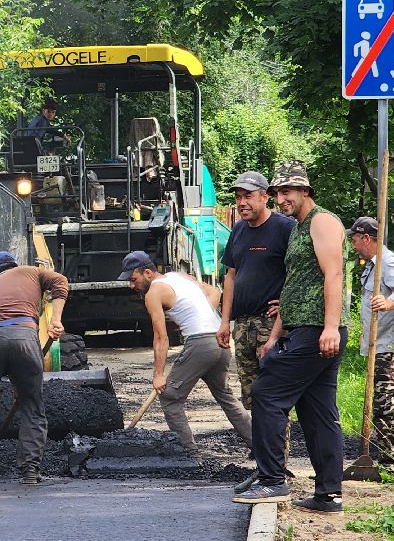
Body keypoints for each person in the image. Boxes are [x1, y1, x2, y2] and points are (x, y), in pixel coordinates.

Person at [233, 161, 347, 513]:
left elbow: (333, 275)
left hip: (317, 331)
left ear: (304, 192)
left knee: (267, 393)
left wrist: (330, 327)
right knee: (317, 412)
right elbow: (294, 288)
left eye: (288, 192)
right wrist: (275, 335)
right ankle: (328, 493)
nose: (282, 198)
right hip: (300, 327)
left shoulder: (322, 221)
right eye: (279, 192)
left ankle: (272, 482)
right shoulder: (298, 229)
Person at [121, 251, 253, 455]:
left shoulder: (153, 292)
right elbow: (215, 291)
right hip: (219, 341)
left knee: (170, 398)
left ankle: (189, 454)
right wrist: (202, 315)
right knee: (225, 396)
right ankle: (261, 446)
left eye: (133, 279)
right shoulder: (180, 276)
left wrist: (158, 375)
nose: (131, 286)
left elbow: (160, 338)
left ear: (147, 272)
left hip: (201, 343)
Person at [0, 251, 68, 486]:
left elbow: (1, 337)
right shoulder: (32, 271)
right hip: (26, 339)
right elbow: (60, 281)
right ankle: (29, 472)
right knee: (33, 406)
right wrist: (55, 320)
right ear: (15, 266)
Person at [215, 171, 297, 416]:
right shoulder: (238, 230)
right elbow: (230, 276)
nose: (242, 203)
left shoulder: (285, 228)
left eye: (248, 196)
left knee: (273, 394)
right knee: (250, 395)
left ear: (265, 197)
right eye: (239, 197)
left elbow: (300, 271)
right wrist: (224, 322)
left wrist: (287, 303)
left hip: (270, 322)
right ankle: (260, 448)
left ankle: (278, 452)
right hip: (242, 325)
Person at [347, 216, 394, 472]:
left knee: (386, 407)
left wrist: (388, 303)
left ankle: (390, 465)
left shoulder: (388, 261)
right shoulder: (372, 266)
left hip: (393, 349)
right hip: (382, 346)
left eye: (355, 240)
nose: (353, 246)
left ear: (367, 238)